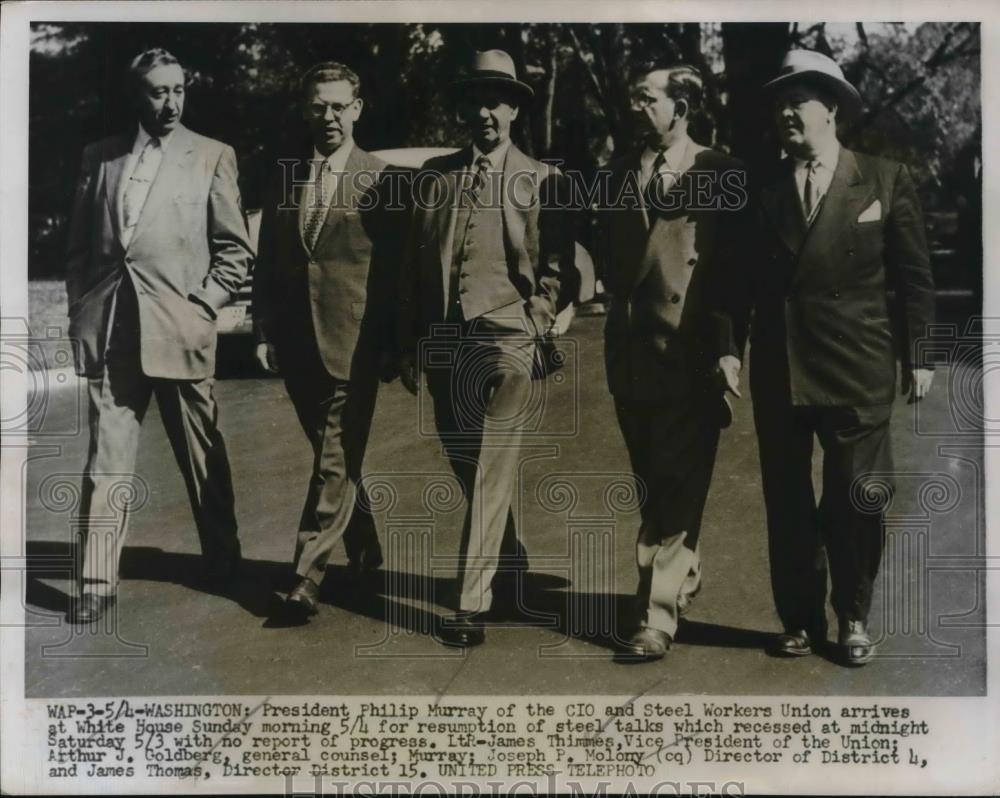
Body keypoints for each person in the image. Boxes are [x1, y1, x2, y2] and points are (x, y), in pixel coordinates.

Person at [719, 49, 936, 665]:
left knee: (858, 495)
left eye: (799, 100)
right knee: (786, 500)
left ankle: (855, 614)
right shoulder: (760, 188)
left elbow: (915, 279)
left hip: (859, 366)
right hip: (781, 367)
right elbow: (735, 282)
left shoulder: (885, 179)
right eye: (779, 102)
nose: (786, 112)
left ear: (831, 108)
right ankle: (799, 619)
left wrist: (920, 354)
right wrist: (728, 349)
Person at [64, 48, 253, 623]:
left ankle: (223, 560)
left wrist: (205, 305)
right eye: (157, 91)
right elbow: (79, 249)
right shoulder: (99, 159)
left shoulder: (212, 156)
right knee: (106, 460)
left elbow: (235, 250)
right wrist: (82, 311)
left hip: (180, 329)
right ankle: (96, 580)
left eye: (178, 90)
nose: (170, 102)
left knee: (203, 457)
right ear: (136, 95)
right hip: (114, 333)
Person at [398, 49, 575, 648]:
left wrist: (537, 317)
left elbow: (558, 266)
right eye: (475, 99)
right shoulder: (435, 176)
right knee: (466, 459)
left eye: (497, 100)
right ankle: (512, 564)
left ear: (516, 109)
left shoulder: (544, 178)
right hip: (446, 339)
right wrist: (411, 342)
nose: (485, 112)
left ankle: (469, 604)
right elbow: (414, 268)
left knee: (494, 459)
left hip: (508, 337)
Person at [598, 64, 747, 662]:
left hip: (690, 354)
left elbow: (732, 274)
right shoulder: (614, 174)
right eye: (634, 97)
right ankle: (678, 574)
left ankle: (654, 615)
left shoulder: (719, 171)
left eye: (648, 98)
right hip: (631, 355)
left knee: (677, 485)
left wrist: (729, 348)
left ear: (680, 106)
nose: (637, 107)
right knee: (654, 486)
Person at [253, 61, 402, 621]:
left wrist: (394, 343)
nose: (330, 116)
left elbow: (393, 273)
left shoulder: (384, 178)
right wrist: (264, 328)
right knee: (333, 457)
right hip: (296, 342)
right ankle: (365, 549)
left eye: (340, 105)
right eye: (319, 105)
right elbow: (269, 258)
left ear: (358, 109)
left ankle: (305, 576)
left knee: (334, 456)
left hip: (355, 341)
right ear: (306, 109)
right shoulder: (285, 175)